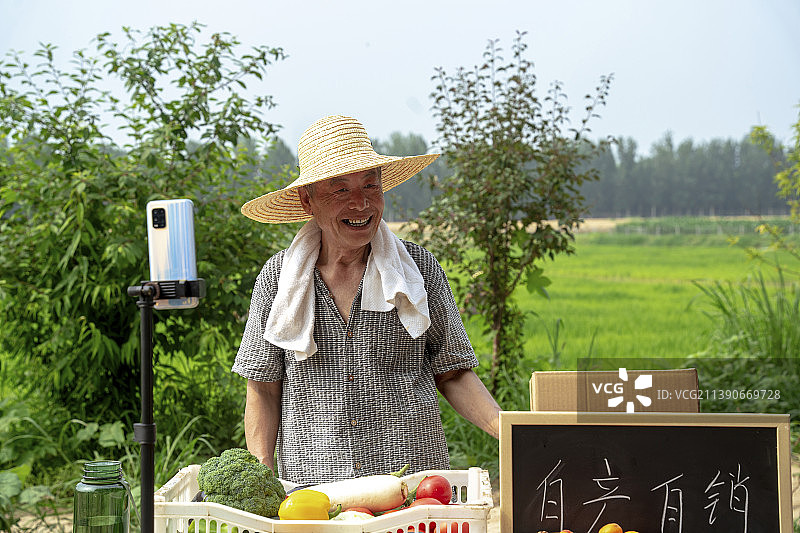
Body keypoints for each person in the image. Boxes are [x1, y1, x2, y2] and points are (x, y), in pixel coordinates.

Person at [232, 115, 501, 484]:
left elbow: (453, 371)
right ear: (307, 199)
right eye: (340, 190)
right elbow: (262, 386)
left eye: (370, 186)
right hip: (315, 494)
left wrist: (511, 434)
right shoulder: (278, 279)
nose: (360, 204)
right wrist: (261, 475)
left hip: (414, 489)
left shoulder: (417, 269)